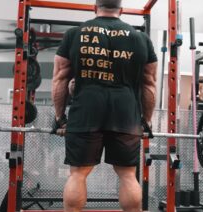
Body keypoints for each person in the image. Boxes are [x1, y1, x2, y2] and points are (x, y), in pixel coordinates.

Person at [51, 0, 158, 211]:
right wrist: (146, 121)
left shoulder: (74, 34)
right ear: (122, 10)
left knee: (78, 174)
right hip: (126, 113)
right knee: (128, 175)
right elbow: (149, 83)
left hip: (86, 110)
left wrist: (59, 117)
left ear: (94, 7)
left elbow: (60, 78)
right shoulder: (140, 38)